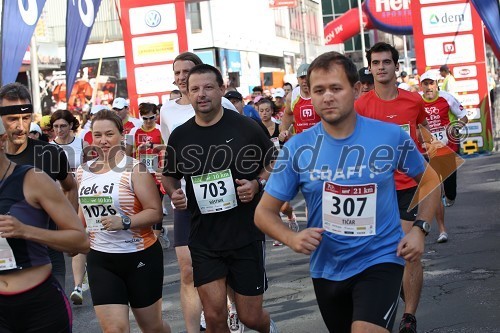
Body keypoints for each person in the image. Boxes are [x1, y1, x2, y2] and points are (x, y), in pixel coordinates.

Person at [255, 51, 440, 333]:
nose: (327, 97)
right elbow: (264, 212)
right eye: (319, 90)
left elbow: (431, 180)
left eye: (335, 88)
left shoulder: (389, 136)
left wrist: (420, 229)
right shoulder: (298, 148)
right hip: (327, 268)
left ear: (355, 91)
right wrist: (291, 238)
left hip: (381, 259)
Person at [163, 64, 278, 333]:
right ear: (187, 94)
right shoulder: (181, 135)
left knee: (250, 316)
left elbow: (273, 161)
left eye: (208, 87)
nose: (201, 94)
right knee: (214, 317)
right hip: (204, 237)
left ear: (222, 89)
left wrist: (257, 182)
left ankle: (270, 328)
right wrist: (174, 193)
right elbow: (168, 175)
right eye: (194, 89)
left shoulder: (245, 127)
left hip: (245, 233)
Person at [159, 52, 239, 332]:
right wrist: (172, 190)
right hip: (187, 199)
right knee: (187, 269)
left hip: (224, 196)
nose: (181, 77)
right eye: (177, 72)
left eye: (187, 72)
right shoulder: (167, 110)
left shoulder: (224, 102)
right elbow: (171, 156)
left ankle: (230, 310)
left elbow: (239, 144)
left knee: (225, 265)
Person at [355, 42, 430, 333]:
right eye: (376, 62)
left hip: (409, 186)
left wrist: (436, 162)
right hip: (375, 191)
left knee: (408, 250)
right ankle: (401, 290)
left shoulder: (413, 102)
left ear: (397, 67)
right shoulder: (361, 106)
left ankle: (409, 317)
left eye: (387, 62)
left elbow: (423, 133)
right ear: (371, 67)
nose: (382, 67)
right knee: (385, 254)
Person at [76, 109, 171, 333]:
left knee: (152, 327)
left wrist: (125, 221)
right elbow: (82, 217)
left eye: (109, 134)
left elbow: (155, 212)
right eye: (97, 135)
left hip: (139, 256)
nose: (103, 140)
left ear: (121, 135)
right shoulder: (83, 172)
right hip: (101, 258)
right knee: (114, 329)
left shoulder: (134, 168)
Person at [0, 118, 90, 332]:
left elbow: (80, 242)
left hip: (39, 306)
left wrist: (24, 230)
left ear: (2, 139)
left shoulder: (32, 179)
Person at [0, 82, 78, 290]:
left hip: (46, 254)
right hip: (4, 259)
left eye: (25, 118)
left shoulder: (49, 153)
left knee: (52, 317)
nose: (20, 126)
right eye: (12, 119)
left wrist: (67, 227)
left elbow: (70, 186)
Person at [419, 70, 468, 243]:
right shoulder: (417, 100)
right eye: (425, 83)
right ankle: (442, 230)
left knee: (450, 192)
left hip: (448, 149)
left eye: (431, 83)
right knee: (435, 189)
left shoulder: (447, 98)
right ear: (421, 86)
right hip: (429, 152)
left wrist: (455, 127)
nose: (428, 87)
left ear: (436, 84)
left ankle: (450, 197)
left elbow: (464, 117)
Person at [126, 102, 168, 245]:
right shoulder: (134, 132)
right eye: (145, 118)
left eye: (152, 118)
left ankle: (155, 239)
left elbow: (168, 149)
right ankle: (150, 234)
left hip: (157, 174)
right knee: (142, 207)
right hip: (141, 175)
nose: (149, 121)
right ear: (141, 117)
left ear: (156, 116)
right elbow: (127, 153)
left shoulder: (161, 130)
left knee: (157, 205)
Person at [280, 63, 321, 139]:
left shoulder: (320, 94)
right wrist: (283, 130)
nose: (305, 81)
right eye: (302, 78)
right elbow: (288, 114)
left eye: (307, 77)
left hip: (320, 140)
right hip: (300, 141)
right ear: (297, 79)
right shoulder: (292, 96)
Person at [50, 109, 88, 173]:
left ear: (70, 125)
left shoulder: (83, 144)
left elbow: (90, 170)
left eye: (63, 126)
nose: (59, 130)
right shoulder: (49, 147)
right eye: (56, 126)